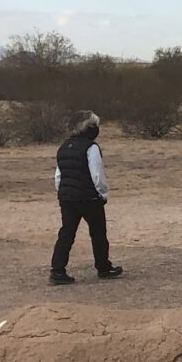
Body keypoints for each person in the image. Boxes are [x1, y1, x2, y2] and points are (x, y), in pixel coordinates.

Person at [49, 112, 123, 284]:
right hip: (89, 197)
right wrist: (103, 194)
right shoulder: (91, 147)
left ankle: (57, 271)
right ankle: (103, 267)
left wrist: (63, 193)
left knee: (66, 233)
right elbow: (97, 175)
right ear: (88, 128)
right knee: (98, 233)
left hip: (67, 197)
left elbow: (58, 175)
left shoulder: (64, 147)